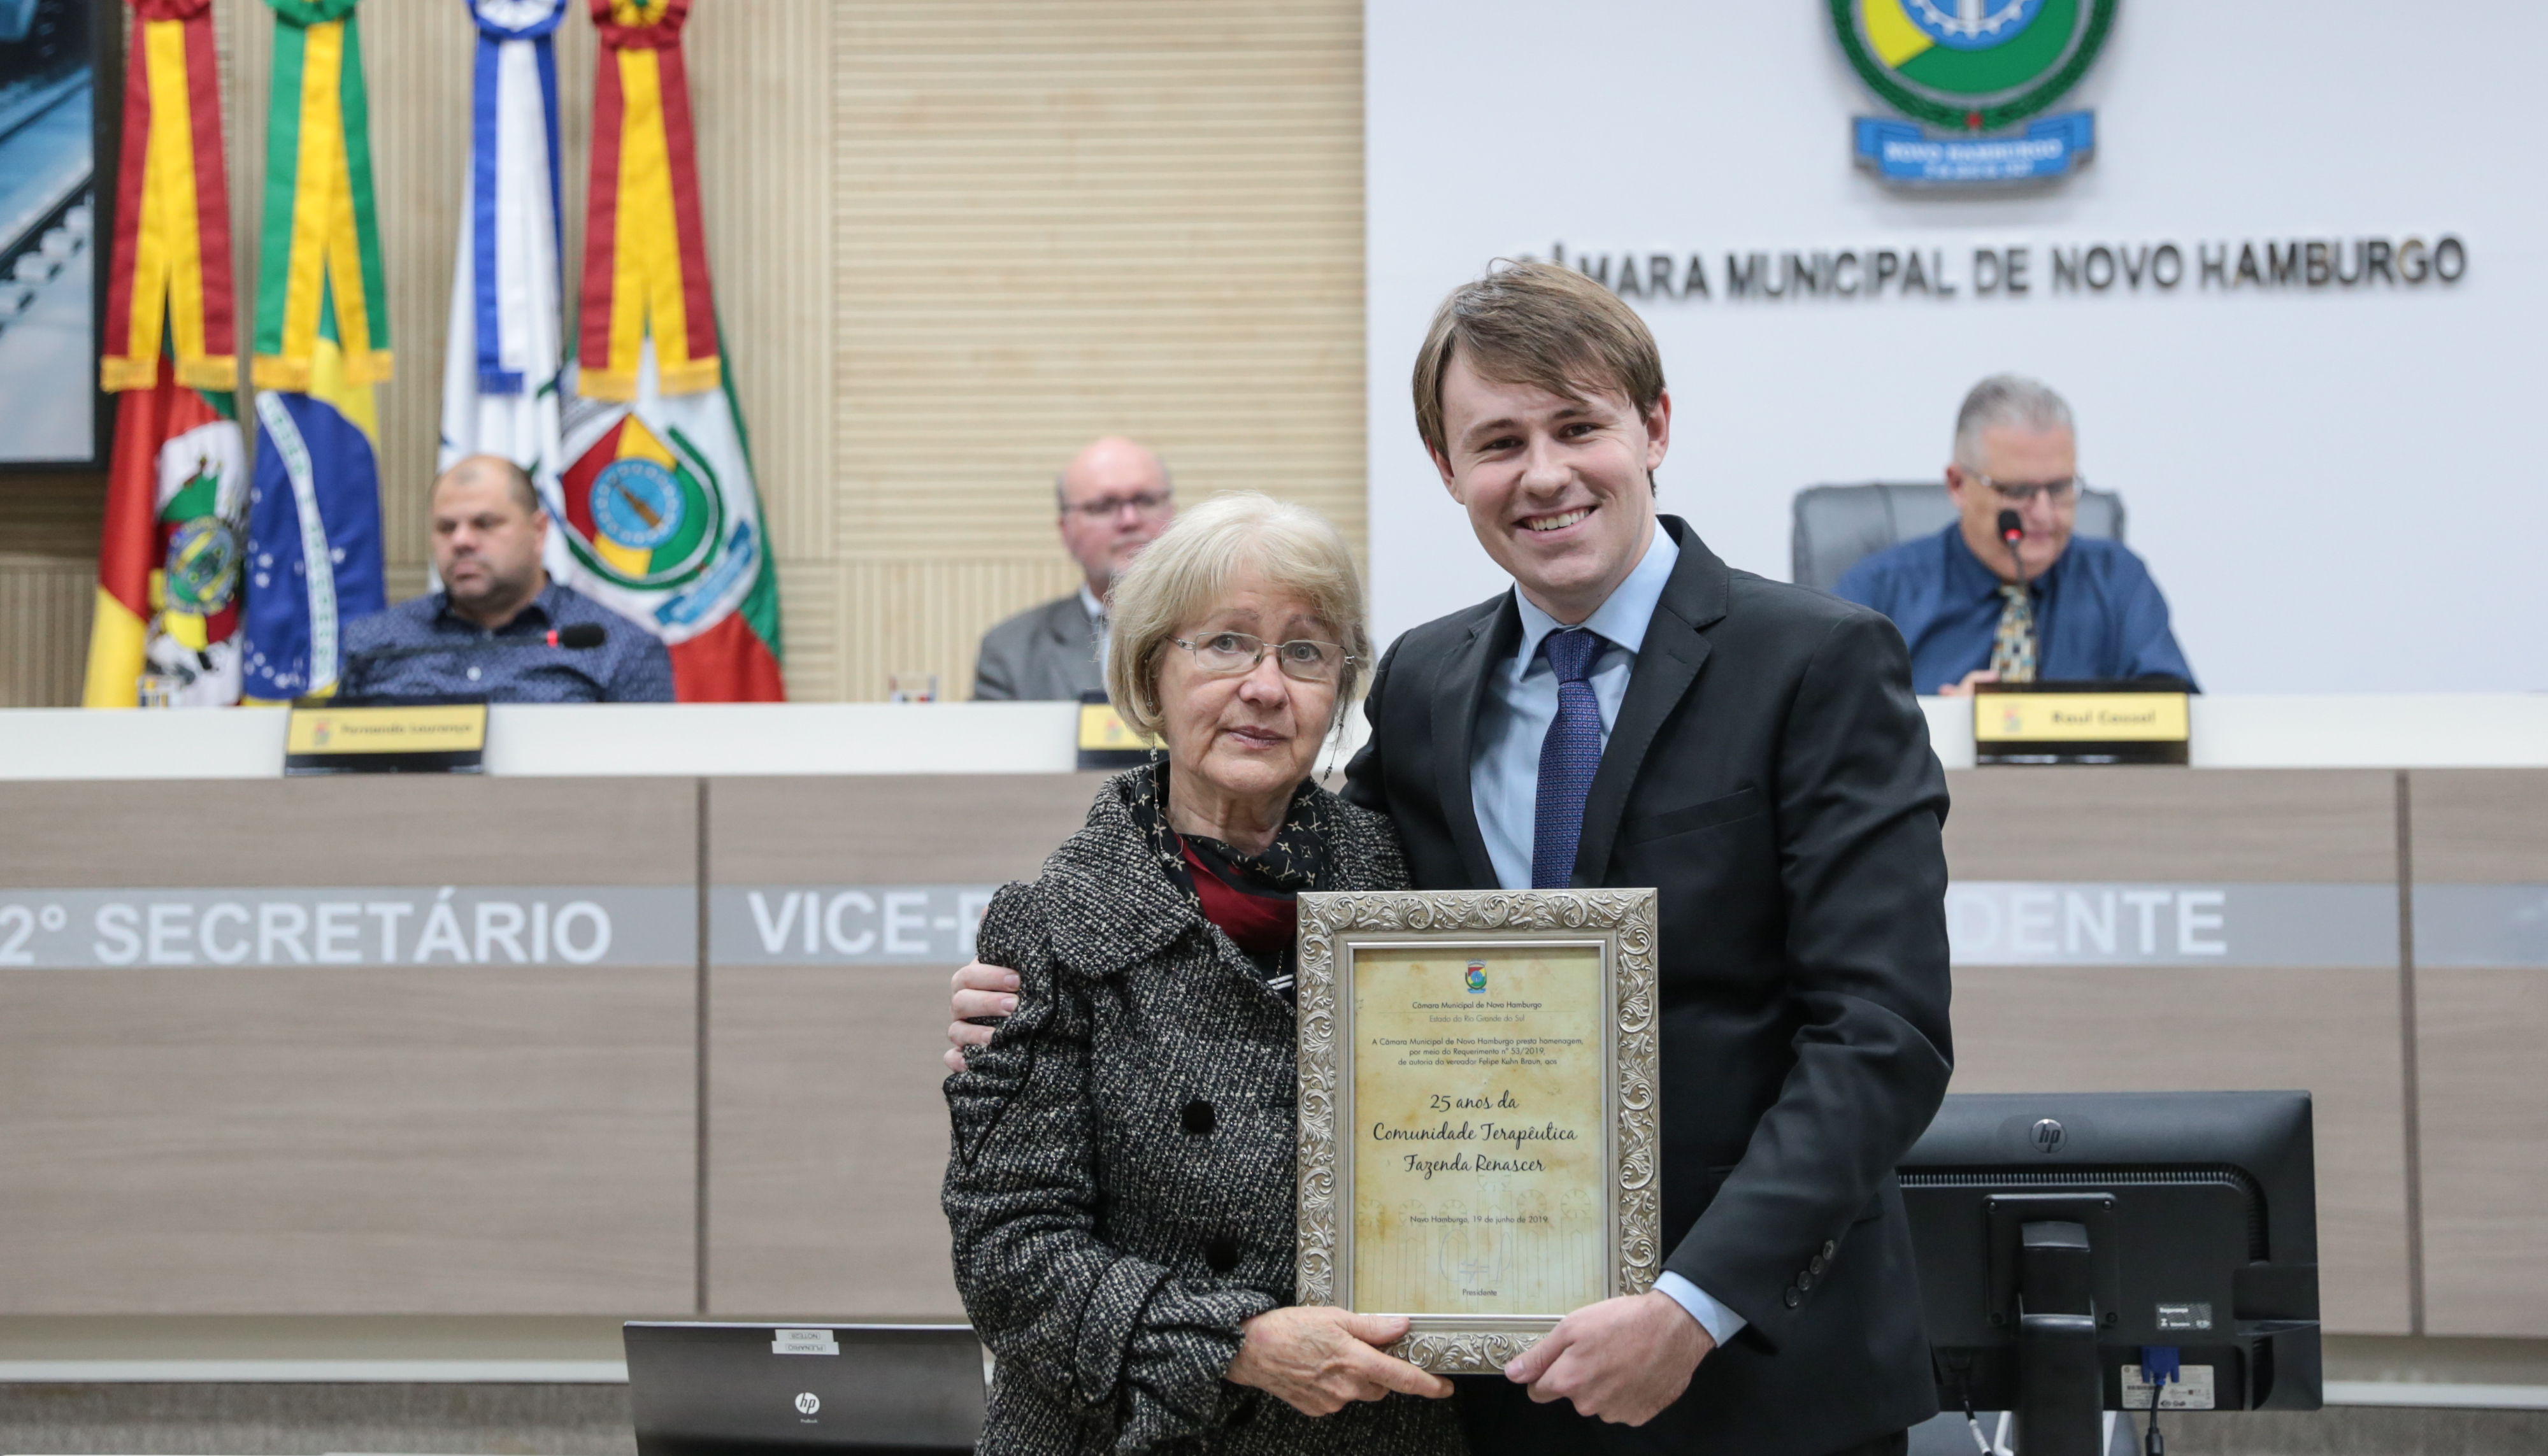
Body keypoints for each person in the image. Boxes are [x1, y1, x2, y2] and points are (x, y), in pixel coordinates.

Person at [952, 262, 1952, 1456]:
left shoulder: (1819, 663)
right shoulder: (1427, 682)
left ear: (1656, 427)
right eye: (1497, 441)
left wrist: (1691, 1309)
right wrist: (1026, 1008)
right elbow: (1289, 900)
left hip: (1755, 1378)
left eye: (1579, 426)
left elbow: (1882, 1033)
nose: (1543, 474)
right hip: (1491, 1384)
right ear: (1447, 469)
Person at [941, 492, 1461, 1455]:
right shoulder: (1051, 922)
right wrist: (1234, 1344)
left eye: (1305, 652)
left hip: (1373, 1427)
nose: (1265, 686)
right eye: (1225, 643)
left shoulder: (1421, 898)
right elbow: (1007, 1251)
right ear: (1151, 673)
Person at [1833, 374, 2196, 695]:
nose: (2043, 514)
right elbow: (1827, 734)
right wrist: (1940, 731)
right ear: (1958, 485)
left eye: (2059, 488)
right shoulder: (1878, 593)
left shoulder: (2118, 581)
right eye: (2018, 491)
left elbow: (2178, 722)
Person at [340, 455, 673, 702]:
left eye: (485, 523)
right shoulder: (375, 644)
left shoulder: (619, 647)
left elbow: (652, 788)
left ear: (538, 531)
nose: (461, 541)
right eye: (446, 528)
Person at [971, 436, 1177, 700]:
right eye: (1104, 506)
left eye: (1146, 501)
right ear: (1066, 530)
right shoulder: (1011, 650)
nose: (1130, 520)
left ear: (1173, 512)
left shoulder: (1220, 630)